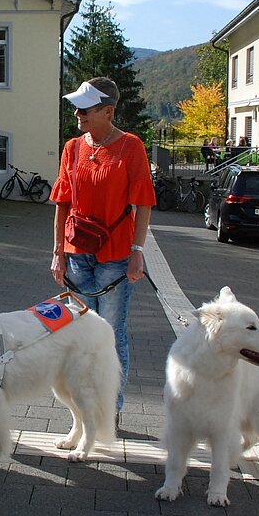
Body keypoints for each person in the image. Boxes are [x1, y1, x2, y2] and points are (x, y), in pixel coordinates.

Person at [49, 77, 156, 422]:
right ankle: (82, 408)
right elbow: (61, 202)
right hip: (77, 251)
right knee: (79, 332)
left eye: (86, 108)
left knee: (109, 333)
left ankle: (110, 408)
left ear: (108, 111)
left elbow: (143, 204)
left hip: (116, 255)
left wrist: (137, 250)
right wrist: (57, 252)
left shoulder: (131, 147)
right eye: (77, 107)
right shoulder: (73, 148)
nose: (78, 113)